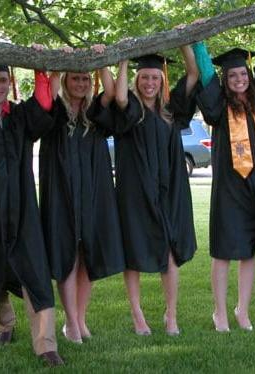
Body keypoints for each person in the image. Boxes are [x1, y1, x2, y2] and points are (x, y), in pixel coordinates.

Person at [0, 47, 64, 366]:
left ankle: (46, 344)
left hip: (23, 210)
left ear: (10, 81)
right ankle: (5, 324)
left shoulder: (20, 118)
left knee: (34, 269)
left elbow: (45, 103)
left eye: (3, 80)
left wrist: (41, 69)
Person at [91, 44, 199, 336]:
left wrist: (184, 41)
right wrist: (123, 58)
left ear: (162, 80)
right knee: (133, 251)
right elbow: (121, 96)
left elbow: (193, 74)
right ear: (137, 81)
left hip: (170, 190)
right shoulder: (132, 110)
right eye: (144, 78)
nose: (150, 83)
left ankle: (171, 315)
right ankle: (137, 315)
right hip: (134, 192)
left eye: (155, 78)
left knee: (171, 252)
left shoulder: (171, 110)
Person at [192, 23, 255, 332]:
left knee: (249, 250)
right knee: (223, 251)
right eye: (232, 75)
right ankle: (220, 312)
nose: (239, 79)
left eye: (243, 74)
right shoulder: (218, 106)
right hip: (230, 188)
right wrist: (199, 42)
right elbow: (205, 75)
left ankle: (242, 311)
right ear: (225, 79)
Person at [38, 45, 125, 344]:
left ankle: (80, 317)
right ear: (65, 81)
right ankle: (71, 322)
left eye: (85, 80)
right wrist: (58, 63)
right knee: (67, 254)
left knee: (87, 255)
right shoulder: (56, 111)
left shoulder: (94, 113)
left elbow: (112, 92)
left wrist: (102, 61)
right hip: (62, 192)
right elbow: (46, 94)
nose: (80, 84)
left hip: (93, 192)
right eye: (74, 79)